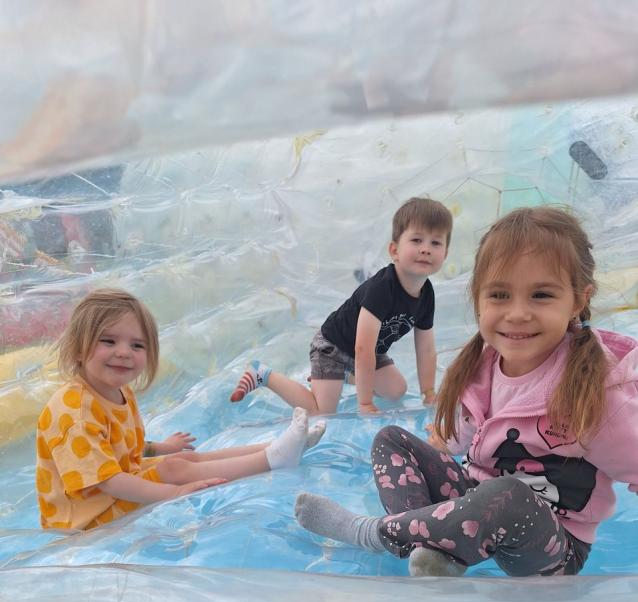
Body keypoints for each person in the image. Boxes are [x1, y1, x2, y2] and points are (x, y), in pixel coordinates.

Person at [294, 206, 638, 577]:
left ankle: (375, 533)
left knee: (509, 494)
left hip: (551, 543)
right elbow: (473, 429)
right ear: (478, 298)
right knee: (391, 440)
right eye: (499, 295)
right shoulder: (485, 363)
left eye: (541, 295)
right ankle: (431, 551)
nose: (517, 313)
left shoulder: (593, 388)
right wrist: (444, 442)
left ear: (579, 300)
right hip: (476, 501)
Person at [36, 288, 325, 531]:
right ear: (78, 348)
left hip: (110, 492)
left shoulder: (116, 391)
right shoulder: (75, 412)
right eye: (108, 341)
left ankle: (275, 448)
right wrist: (173, 493)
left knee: (185, 458)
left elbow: (112, 446)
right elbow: (109, 481)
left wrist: (159, 447)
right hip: (87, 520)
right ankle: (273, 460)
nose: (123, 352)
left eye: (137, 345)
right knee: (175, 469)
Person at [230, 197, 453, 415]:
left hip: (369, 353)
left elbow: (426, 349)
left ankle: (345, 376)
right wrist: (365, 402)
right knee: (322, 411)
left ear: (445, 254)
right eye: (417, 240)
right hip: (333, 348)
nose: (426, 249)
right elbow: (362, 348)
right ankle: (263, 375)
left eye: (435, 243)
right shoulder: (383, 288)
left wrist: (428, 391)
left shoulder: (427, 294)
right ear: (394, 250)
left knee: (396, 391)